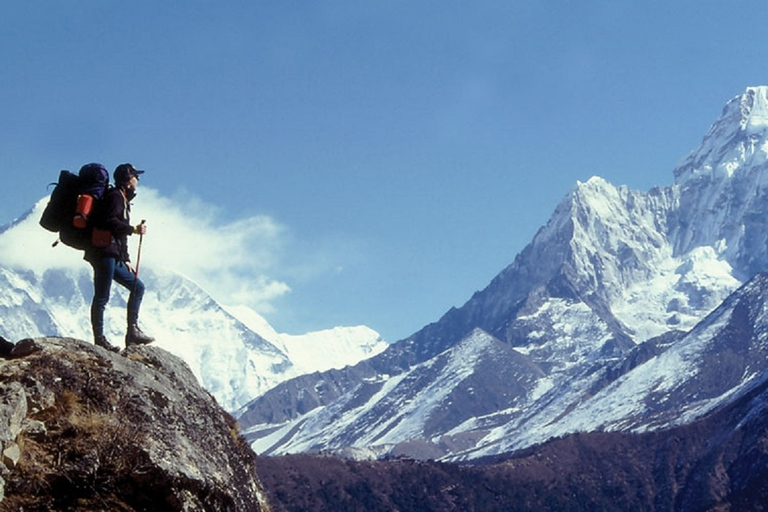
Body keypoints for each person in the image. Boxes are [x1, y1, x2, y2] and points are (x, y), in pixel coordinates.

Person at [85, 163, 155, 352]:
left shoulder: (122, 198)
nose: (137, 180)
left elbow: (119, 233)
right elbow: (110, 222)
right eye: (135, 177)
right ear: (127, 179)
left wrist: (125, 258)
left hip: (111, 254)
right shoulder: (115, 196)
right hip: (103, 252)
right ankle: (100, 340)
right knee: (102, 296)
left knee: (137, 286)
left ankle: (132, 332)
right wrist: (133, 229)